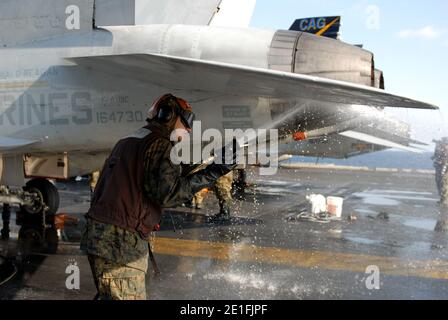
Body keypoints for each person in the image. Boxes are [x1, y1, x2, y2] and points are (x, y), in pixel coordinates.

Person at [81, 93, 237, 300]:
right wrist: (214, 172)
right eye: (187, 120)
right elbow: (168, 194)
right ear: (168, 115)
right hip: (120, 242)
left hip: (102, 236)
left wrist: (208, 161)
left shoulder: (130, 140)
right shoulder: (159, 144)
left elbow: (156, 177)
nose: (189, 128)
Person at [433, 138, 448, 205]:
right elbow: (436, 156)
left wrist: (443, 171)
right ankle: (443, 199)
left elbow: (445, 161)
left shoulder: (445, 150)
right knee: (439, 183)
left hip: (444, 169)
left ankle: (444, 200)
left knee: (443, 184)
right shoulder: (440, 149)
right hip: (439, 168)